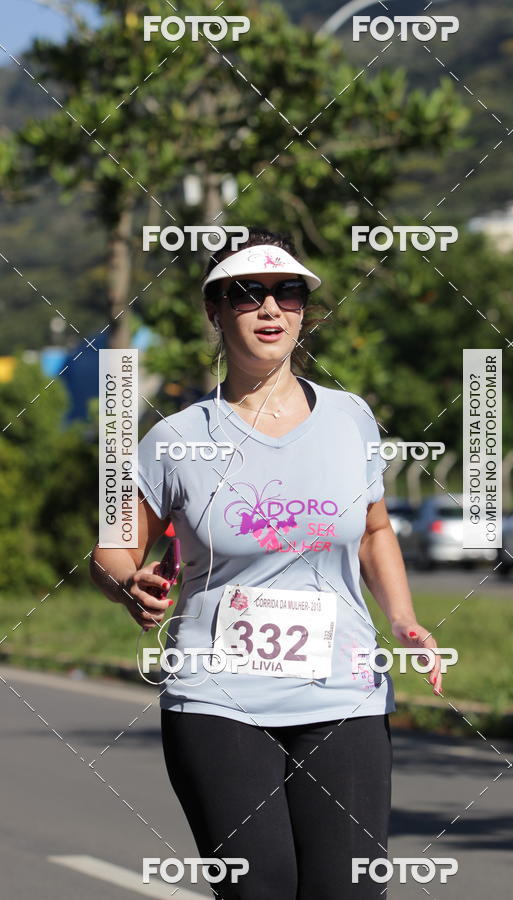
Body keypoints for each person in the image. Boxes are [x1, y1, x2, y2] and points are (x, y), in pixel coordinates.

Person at [90, 227, 442, 899]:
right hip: (218, 700)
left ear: (305, 310)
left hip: (344, 692)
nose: (271, 308)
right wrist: (125, 582)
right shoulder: (175, 439)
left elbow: (373, 531)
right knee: (263, 890)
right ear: (215, 312)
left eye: (288, 292)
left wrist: (403, 618)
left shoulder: (352, 418)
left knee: (348, 891)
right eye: (248, 294)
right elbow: (111, 551)